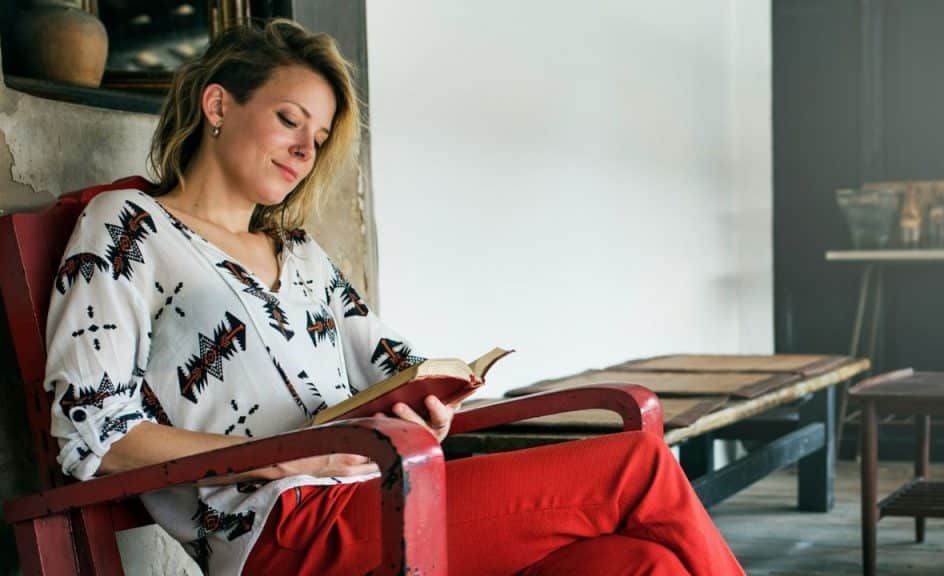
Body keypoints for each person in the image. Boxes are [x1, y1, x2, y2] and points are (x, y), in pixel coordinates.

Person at [44, 19, 745, 576]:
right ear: (219, 104)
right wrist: (290, 455)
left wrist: (433, 398)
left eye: (317, 138)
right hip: (285, 530)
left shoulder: (300, 253)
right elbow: (94, 432)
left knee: (640, 563)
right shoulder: (128, 228)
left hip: (389, 495)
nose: (303, 151)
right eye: (289, 120)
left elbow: (390, 365)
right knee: (634, 463)